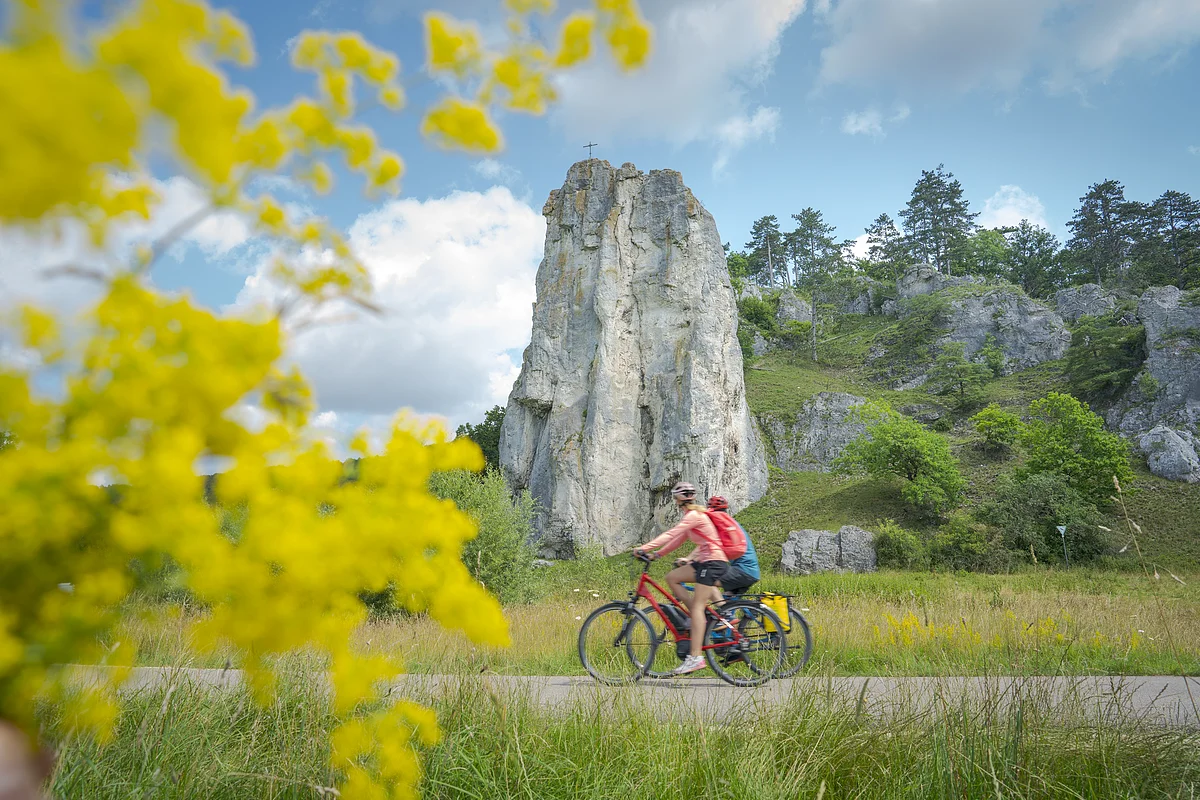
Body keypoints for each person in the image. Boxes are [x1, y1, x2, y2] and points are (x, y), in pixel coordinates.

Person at [634, 481, 728, 675]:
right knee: (672, 578)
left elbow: (671, 533)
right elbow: (678, 539)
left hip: (711, 562)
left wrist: (645, 547)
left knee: (699, 608)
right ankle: (695, 612)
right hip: (706, 562)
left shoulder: (694, 515)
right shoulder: (692, 516)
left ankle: (695, 658)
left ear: (677, 499)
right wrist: (657, 555)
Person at [706, 495, 760, 596]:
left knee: (706, 582)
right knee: (728, 599)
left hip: (743, 570)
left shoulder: (723, 528)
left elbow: (712, 548)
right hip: (749, 571)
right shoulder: (731, 525)